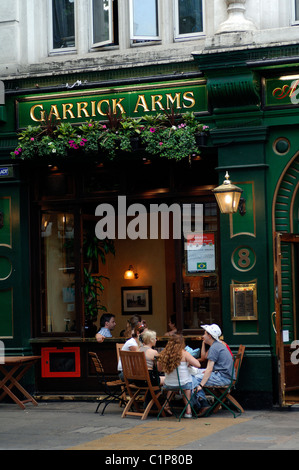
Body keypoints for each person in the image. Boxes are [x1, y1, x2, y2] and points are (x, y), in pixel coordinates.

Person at [192, 324, 233, 416]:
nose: (203, 336)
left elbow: (209, 369)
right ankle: (200, 403)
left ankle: (202, 403)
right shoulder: (218, 345)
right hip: (225, 376)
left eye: (204, 334)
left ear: (210, 336)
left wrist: (201, 385)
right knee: (197, 376)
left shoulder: (214, 348)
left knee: (193, 378)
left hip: (223, 378)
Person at [158, 335, 201, 418]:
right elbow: (198, 364)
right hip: (183, 384)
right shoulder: (184, 354)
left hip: (168, 384)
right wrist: (188, 364)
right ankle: (188, 411)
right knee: (186, 384)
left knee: (175, 382)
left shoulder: (164, 354)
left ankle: (166, 404)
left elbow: (159, 369)